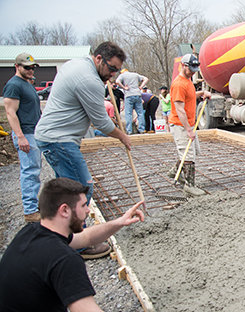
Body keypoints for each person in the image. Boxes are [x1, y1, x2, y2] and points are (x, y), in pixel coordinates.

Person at [0, 177, 144, 312]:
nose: (88, 210)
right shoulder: (64, 258)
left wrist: (120, 222)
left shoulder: (32, 232)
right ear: (65, 210)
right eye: (83, 205)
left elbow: (86, 237)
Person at [35, 41, 131, 259]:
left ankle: (56, 235)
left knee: (65, 191)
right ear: (98, 59)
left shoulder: (77, 65)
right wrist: (123, 136)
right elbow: (102, 123)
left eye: (117, 71)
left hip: (53, 137)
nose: (113, 76)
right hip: (60, 140)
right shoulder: (89, 80)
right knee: (82, 188)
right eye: (111, 69)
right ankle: (76, 244)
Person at [3, 52, 43, 223]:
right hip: (25, 133)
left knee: (34, 170)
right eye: (27, 68)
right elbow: (10, 112)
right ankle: (30, 211)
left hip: (33, 131)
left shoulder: (26, 83)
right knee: (30, 171)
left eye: (32, 67)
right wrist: (20, 137)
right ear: (17, 67)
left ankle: (33, 206)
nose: (30, 70)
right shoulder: (14, 85)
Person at [168, 54, 210, 193]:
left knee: (188, 152)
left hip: (189, 124)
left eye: (194, 69)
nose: (193, 71)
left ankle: (175, 172)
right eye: (191, 68)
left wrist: (202, 93)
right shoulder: (179, 84)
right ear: (183, 65)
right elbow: (179, 109)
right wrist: (188, 130)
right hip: (181, 125)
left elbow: (190, 95)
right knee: (188, 156)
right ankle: (189, 186)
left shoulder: (187, 81)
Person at [116, 68, 148, 134]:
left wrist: (124, 87)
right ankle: (141, 129)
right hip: (137, 94)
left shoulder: (122, 76)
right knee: (140, 113)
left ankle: (129, 131)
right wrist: (141, 87)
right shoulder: (135, 74)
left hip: (129, 95)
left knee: (128, 114)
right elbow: (146, 79)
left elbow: (117, 82)